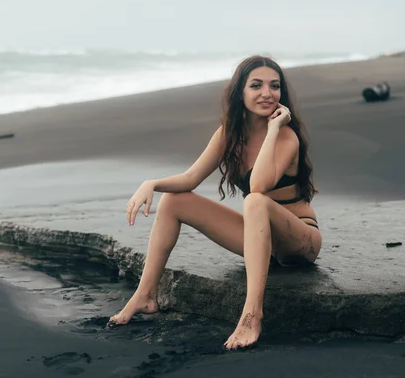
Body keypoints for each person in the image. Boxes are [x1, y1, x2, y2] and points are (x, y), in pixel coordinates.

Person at [108, 55, 322, 350]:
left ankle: (252, 315)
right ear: (240, 92)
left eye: (274, 86)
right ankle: (145, 295)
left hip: (299, 240)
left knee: (255, 201)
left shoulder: (286, 136)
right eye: (256, 85)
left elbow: (258, 186)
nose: (267, 93)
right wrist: (152, 184)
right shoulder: (229, 134)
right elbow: (191, 178)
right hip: (262, 241)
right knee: (173, 200)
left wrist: (273, 130)